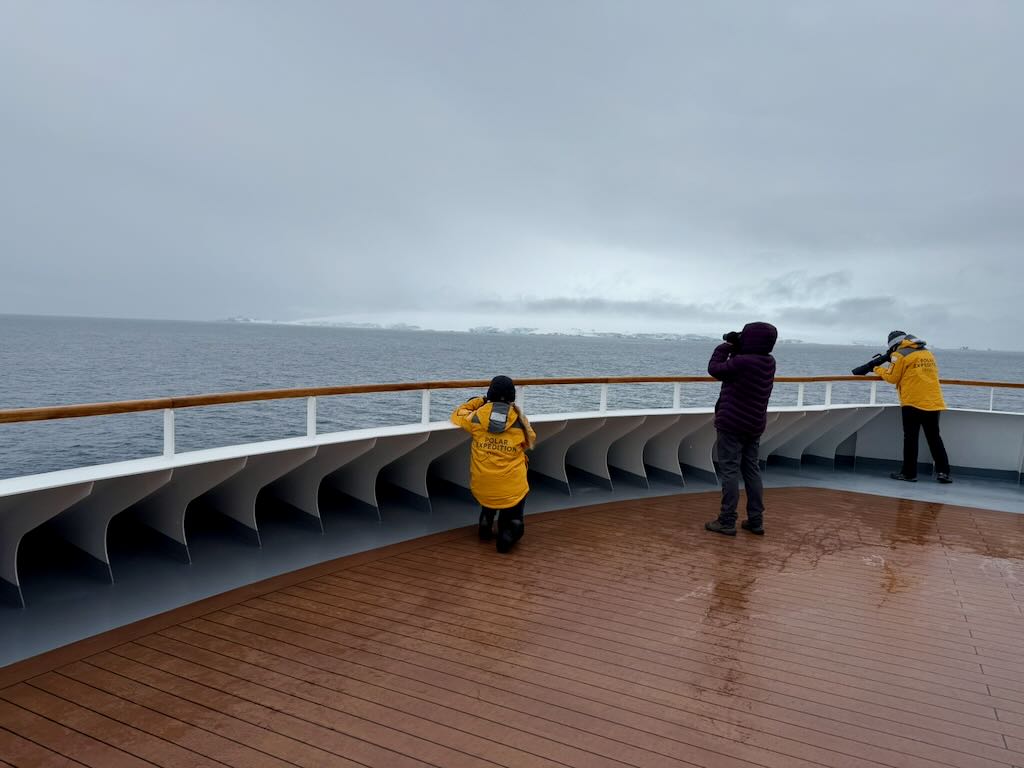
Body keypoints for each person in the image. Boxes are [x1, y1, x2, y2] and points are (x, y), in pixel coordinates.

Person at [704, 322, 778, 537]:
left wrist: (726, 345)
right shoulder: (769, 362)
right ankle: (756, 520)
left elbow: (714, 369)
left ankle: (727, 520)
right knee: (751, 470)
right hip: (754, 424)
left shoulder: (742, 362)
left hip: (731, 424)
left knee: (729, 471)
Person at [451, 375, 537, 553]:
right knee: (514, 509)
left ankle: (486, 521)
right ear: (512, 396)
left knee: (489, 476)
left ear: (490, 394)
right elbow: (531, 440)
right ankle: (508, 534)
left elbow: (457, 414)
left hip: (481, 486)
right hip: (510, 489)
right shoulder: (519, 420)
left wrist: (478, 401)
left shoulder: (476, 418)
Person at [874, 331, 952, 484]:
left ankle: (909, 474)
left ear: (893, 345)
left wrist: (877, 368)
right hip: (933, 401)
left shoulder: (899, 355)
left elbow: (892, 377)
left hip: (913, 402)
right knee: (934, 438)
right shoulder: (927, 353)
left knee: (911, 439)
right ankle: (944, 473)